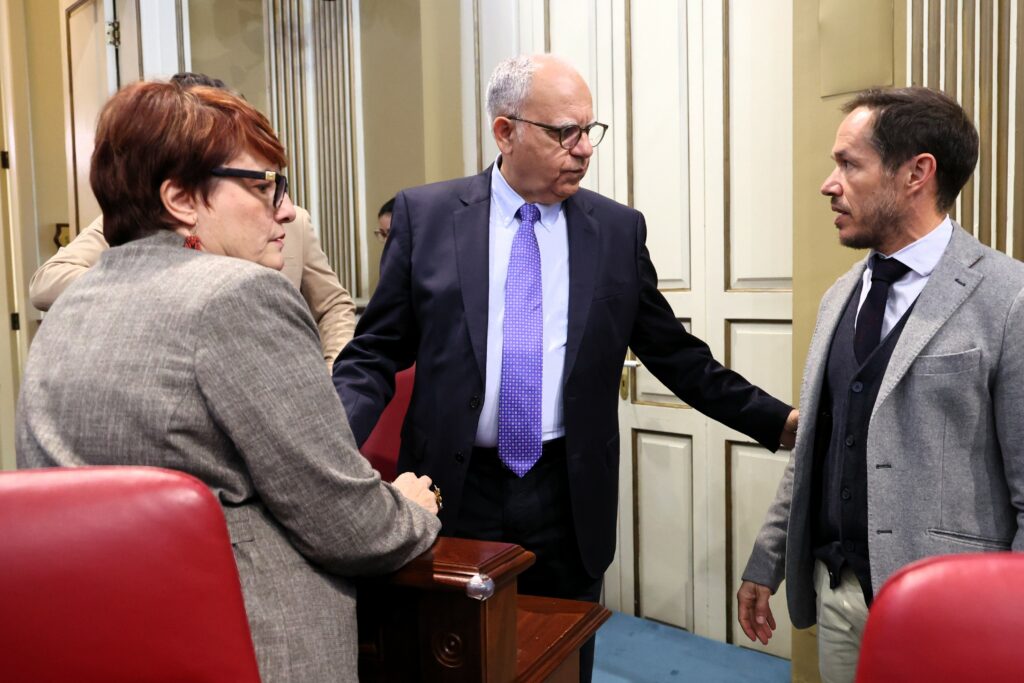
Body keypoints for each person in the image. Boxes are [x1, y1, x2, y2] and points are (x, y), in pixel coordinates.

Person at [332, 54, 798, 683]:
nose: (583, 149)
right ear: (505, 131)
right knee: (449, 660)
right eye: (563, 134)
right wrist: (326, 445)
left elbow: (676, 356)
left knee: (561, 662)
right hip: (452, 488)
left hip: (566, 493)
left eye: (589, 131)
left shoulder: (615, 230)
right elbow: (375, 352)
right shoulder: (429, 217)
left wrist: (781, 422)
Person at [16, 80, 440, 683]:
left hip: (101, 648)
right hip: (247, 649)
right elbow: (348, 526)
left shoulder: (74, 302)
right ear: (183, 198)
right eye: (263, 183)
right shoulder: (240, 295)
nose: (287, 209)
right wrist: (410, 508)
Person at [738, 86, 1024, 683]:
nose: (828, 183)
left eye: (848, 163)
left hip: (954, 611)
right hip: (838, 595)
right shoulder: (841, 295)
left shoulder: (1009, 298)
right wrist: (767, 560)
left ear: (917, 173)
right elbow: (816, 447)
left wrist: (1007, 620)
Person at [28, 72, 356, 369]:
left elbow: (333, 306)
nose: (282, 209)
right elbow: (47, 282)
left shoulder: (291, 220)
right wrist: (164, 290)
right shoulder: (145, 219)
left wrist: (333, 375)